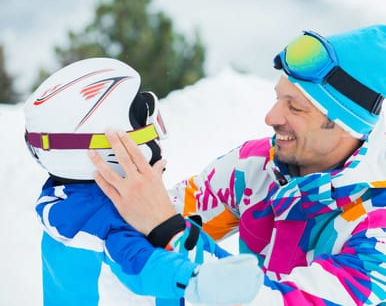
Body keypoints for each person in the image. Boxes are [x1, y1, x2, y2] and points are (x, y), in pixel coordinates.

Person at [90, 25, 386, 305]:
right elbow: (133, 227)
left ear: (346, 124)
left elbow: (276, 300)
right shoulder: (256, 168)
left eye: (296, 108)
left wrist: (168, 229)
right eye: (278, 98)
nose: (271, 117)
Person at [23, 57, 262, 306]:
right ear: (110, 151)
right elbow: (142, 265)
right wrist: (195, 280)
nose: (157, 141)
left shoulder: (77, 202)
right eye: (145, 126)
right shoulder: (102, 222)